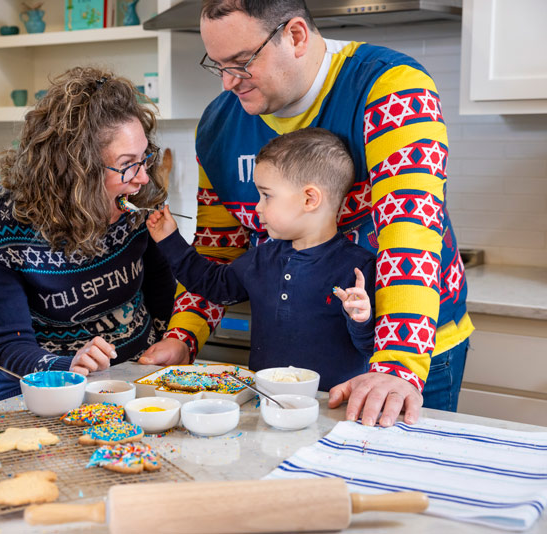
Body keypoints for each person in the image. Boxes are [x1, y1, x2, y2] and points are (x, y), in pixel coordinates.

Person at [140, 0, 473, 427]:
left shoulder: (391, 88)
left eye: (241, 63)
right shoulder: (219, 126)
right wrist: (184, 336)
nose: (227, 83)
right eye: (217, 64)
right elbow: (218, 251)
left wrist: (396, 366)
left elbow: (410, 230)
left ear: (294, 36)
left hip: (410, 350)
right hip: (294, 369)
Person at [0, 67, 175, 402]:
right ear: (77, 170)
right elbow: (8, 345)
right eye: (127, 163)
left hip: (136, 381)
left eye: (144, 158)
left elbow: (159, 284)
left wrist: (170, 341)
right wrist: (70, 366)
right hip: (44, 394)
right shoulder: (2, 221)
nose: (141, 178)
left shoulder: (139, 196)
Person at [147, 129, 375, 389]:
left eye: (266, 195)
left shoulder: (359, 268)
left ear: (309, 199)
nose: (257, 206)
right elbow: (213, 284)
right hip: (265, 401)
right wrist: (170, 240)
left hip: (332, 411)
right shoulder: (261, 258)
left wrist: (362, 320)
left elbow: (372, 346)